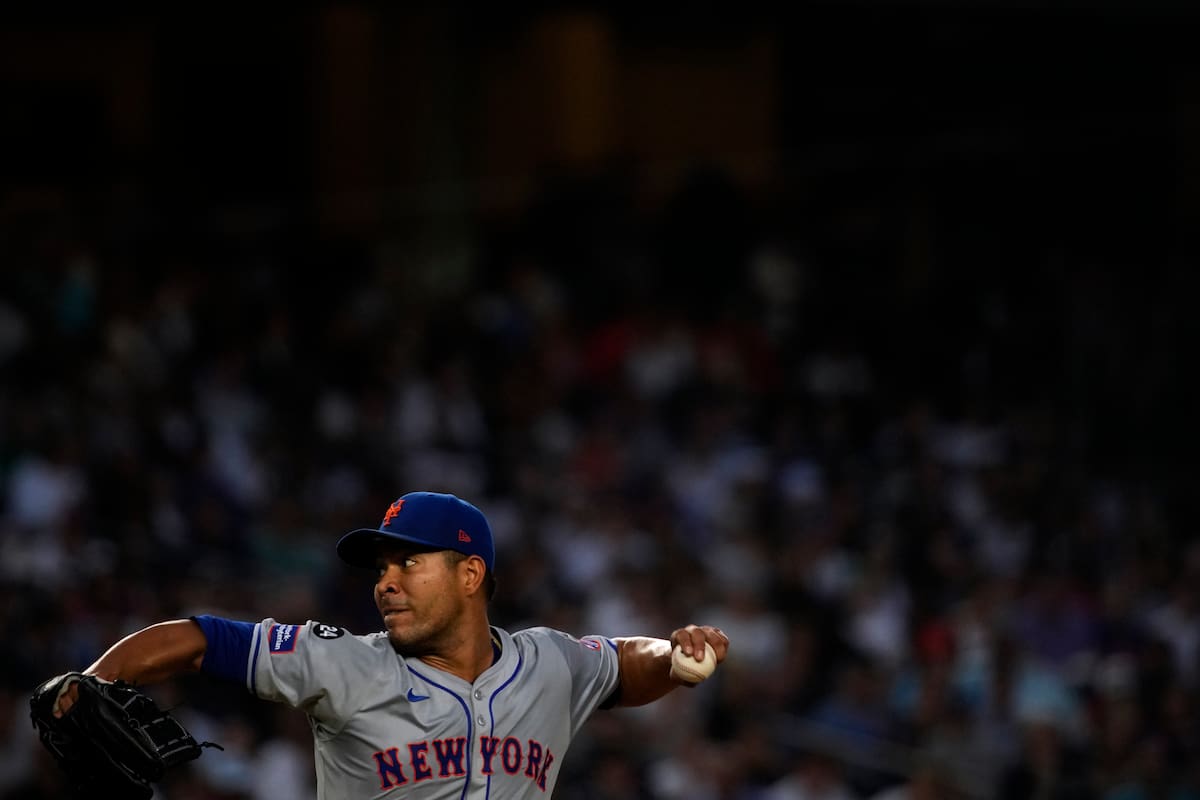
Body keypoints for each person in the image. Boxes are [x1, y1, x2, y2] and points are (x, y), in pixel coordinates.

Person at [51, 491, 730, 798]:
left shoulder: (546, 662)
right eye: (380, 568)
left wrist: (672, 659)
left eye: (408, 562)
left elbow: (617, 664)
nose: (386, 582)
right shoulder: (342, 661)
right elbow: (199, 639)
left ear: (470, 575)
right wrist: (95, 678)